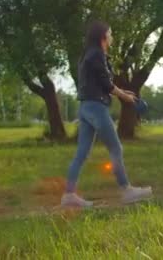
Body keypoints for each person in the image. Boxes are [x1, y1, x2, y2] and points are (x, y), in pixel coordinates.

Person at [61, 21, 152, 207]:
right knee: (116, 148)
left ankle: (69, 195)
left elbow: (103, 82)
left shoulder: (88, 55)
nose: (112, 37)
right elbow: (107, 85)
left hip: (85, 107)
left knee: (81, 153)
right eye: (110, 34)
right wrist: (125, 98)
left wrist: (125, 93)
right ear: (103, 36)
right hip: (96, 108)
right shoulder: (97, 55)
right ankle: (126, 190)